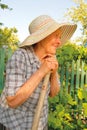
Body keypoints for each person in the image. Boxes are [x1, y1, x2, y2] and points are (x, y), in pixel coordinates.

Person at [0, 15, 77, 130]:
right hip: (15, 125)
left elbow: (53, 93)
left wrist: (54, 73)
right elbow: (12, 101)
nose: (59, 42)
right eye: (56, 36)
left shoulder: (51, 58)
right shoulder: (21, 56)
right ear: (42, 37)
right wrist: (41, 71)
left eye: (60, 37)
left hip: (40, 124)